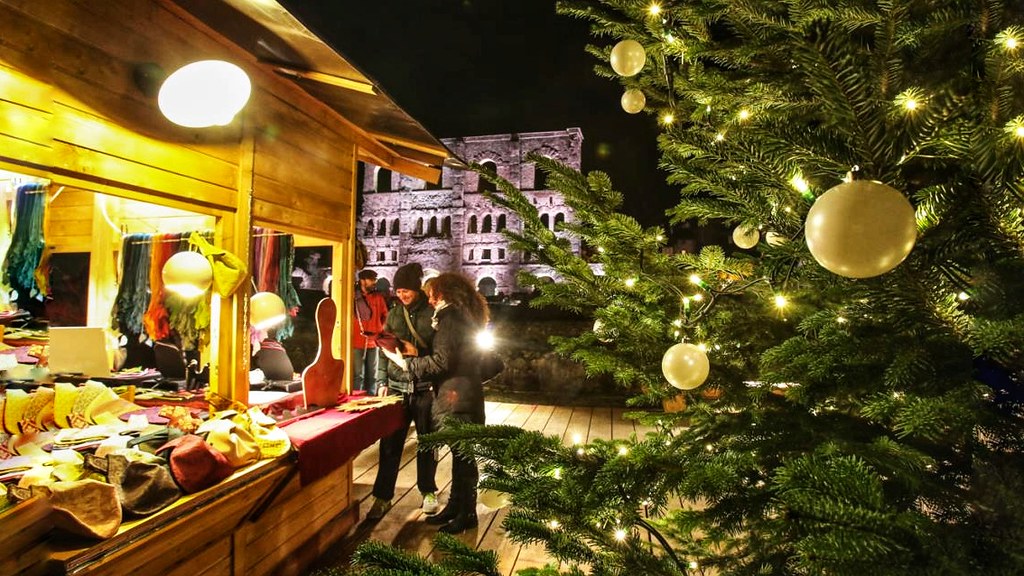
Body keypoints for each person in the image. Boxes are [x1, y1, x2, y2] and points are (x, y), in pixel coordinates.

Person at [381, 272, 489, 534]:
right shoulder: (461, 314)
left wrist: (405, 363)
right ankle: (455, 506)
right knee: (459, 453)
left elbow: (442, 362)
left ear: (445, 294)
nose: (429, 300)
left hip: (457, 397)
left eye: (432, 295)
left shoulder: (450, 316)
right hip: (461, 393)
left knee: (463, 456)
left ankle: (467, 513)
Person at [367, 262, 440, 519]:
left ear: (417, 289)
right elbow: (385, 350)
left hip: (423, 388)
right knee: (389, 445)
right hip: (398, 387)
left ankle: (428, 492)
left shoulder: (431, 315)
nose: (401, 295)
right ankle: (382, 497)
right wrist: (381, 381)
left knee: (427, 443)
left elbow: (440, 353)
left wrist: (417, 352)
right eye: (398, 290)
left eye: (406, 290)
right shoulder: (395, 313)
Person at [352, 269, 388, 395]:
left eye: (375, 279)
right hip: (356, 341)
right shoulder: (353, 297)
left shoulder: (378, 297)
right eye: (371, 279)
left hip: (374, 341)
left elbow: (385, 315)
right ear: (362, 281)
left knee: (373, 376)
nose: (374, 282)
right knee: (358, 376)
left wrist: (379, 329)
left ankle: (371, 399)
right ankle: (357, 399)